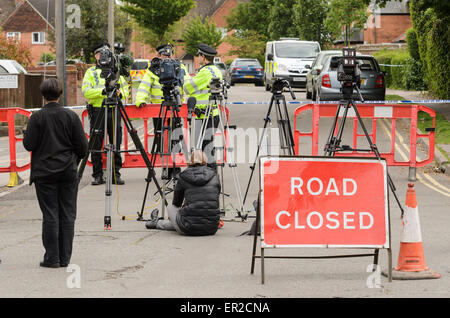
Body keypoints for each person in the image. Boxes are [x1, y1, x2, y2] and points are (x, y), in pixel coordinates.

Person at [23, 78, 88, 268]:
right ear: (61, 94)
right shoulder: (71, 117)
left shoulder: (36, 118)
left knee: (50, 214)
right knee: (68, 214)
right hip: (68, 171)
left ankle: (52, 258)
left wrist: (27, 133)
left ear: (43, 95)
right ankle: (65, 258)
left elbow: (29, 145)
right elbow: (83, 148)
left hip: (44, 173)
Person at [136, 43, 190, 178]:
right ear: (159, 55)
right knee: (161, 139)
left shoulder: (179, 66)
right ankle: (165, 167)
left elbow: (188, 84)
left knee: (176, 137)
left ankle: (176, 168)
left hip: (176, 107)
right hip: (158, 109)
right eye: (164, 55)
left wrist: (188, 100)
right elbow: (144, 86)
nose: (167, 57)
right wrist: (140, 100)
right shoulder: (152, 69)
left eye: (169, 54)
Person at [82, 42, 130, 186]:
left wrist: (121, 94)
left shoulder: (116, 71)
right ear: (96, 56)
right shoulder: (90, 72)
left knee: (116, 142)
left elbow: (126, 90)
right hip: (98, 111)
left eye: (106, 53)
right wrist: (102, 92)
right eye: (100, 53)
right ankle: (97, 175)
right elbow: (86, 92)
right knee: (96, 143)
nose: (103, 55)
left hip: (114, 108)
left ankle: (116, 174)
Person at [145, 150, 221, 236]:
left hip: (188, 228)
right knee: (186, 221)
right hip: (212, 227)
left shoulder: (184, 176)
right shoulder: (214, 175)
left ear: (190, 161)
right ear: (205, 161)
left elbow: (176, 203)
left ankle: (156, 223)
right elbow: (216, 196)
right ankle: (156, 223)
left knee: (171, 208)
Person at [183, 43, 223, 167]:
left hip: (204, 115)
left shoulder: (204, 72)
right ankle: (210, 173)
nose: (197, 58)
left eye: (198, 56)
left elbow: (187, 88)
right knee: (208, 145)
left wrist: (185, 79)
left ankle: (209, 173)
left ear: (203, 57)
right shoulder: (216, 70)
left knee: (203, 147)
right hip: (214, 113)